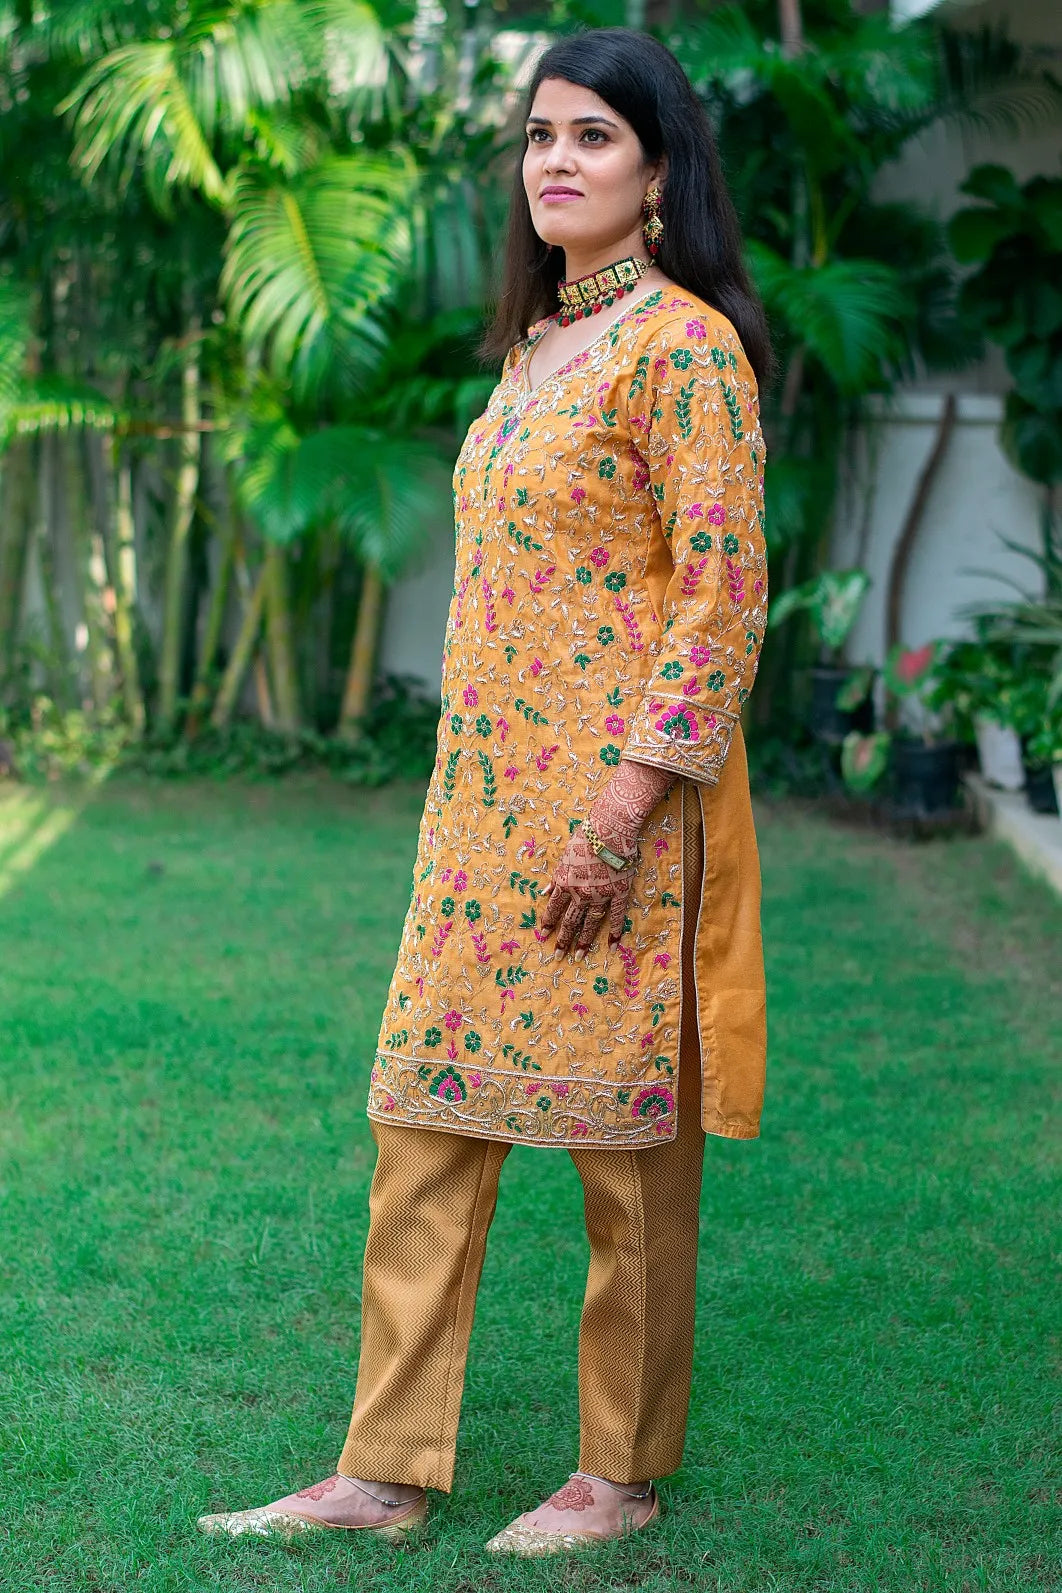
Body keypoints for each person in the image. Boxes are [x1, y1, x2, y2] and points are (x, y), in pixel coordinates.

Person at [198, 24, 771, 1558]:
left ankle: (618, 1474)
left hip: (622, 814)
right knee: (422, 1124)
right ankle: (382, 1467)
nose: (555, 163)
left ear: (658, 174)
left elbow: (717, 601)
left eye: (592, 136)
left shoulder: (684, 348)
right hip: (479, 821)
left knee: (625, 1158)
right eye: (537, 138)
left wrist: (619, 810)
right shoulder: (532, 353)